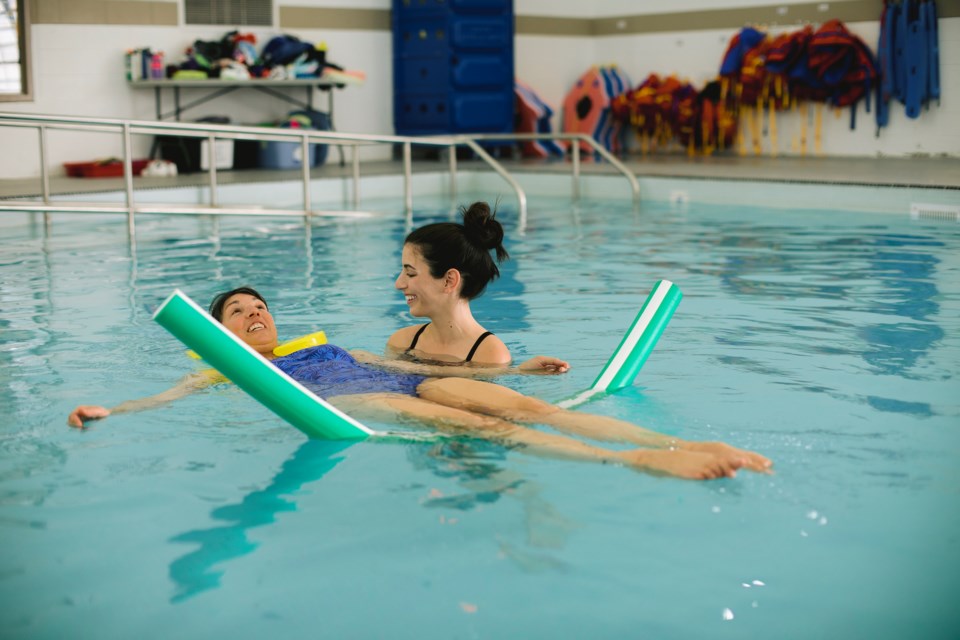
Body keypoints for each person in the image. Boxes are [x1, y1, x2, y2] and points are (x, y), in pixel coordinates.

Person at [68, 287, 773, 480]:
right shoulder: (227, 368)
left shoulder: (321, 340)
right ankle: (637, 461)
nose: (254, 315)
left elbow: (411, 367)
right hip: (355, 402)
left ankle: (675, 440)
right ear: (220, 332)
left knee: (520, 405)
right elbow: (163, 400)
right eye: (239, 313)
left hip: (392, 384)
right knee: (492, 432)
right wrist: (112, 413)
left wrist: (517, 366)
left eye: (259, 307)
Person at [388, 201, 569, 374]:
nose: (399, 284)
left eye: (410, 273)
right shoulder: (402, 343)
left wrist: (516, 373)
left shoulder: (491, 355)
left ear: (449, 280)